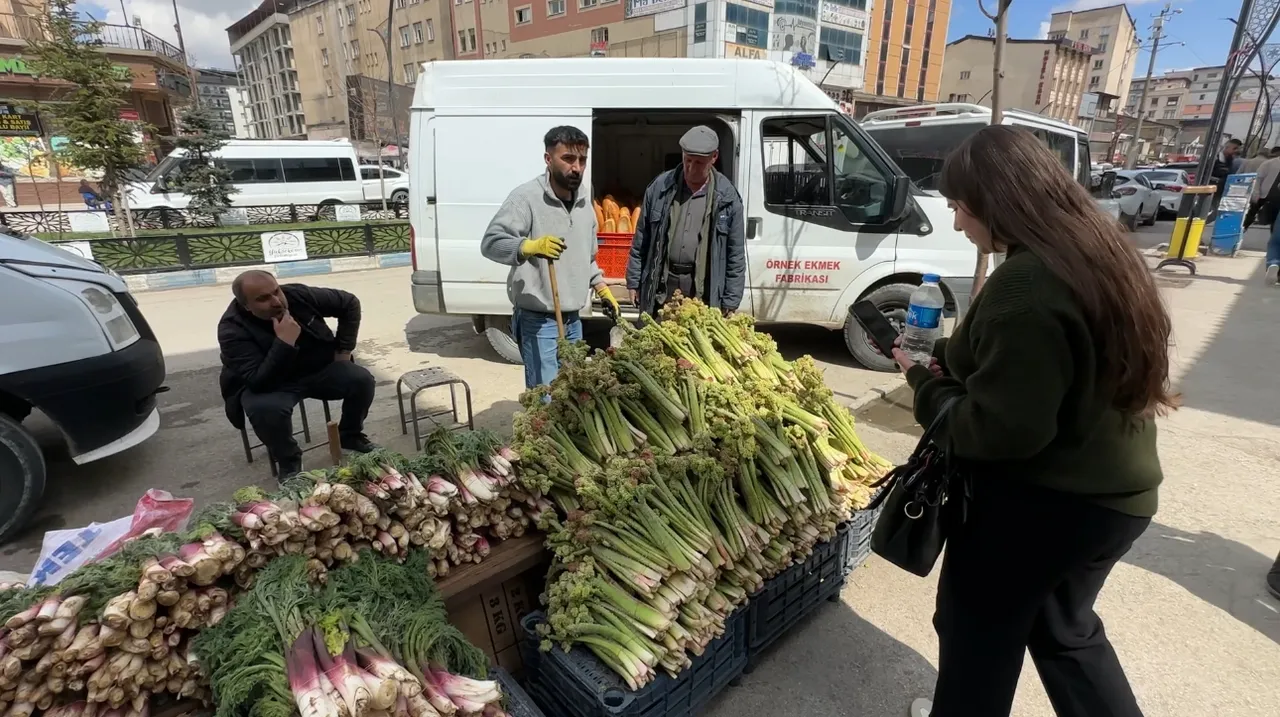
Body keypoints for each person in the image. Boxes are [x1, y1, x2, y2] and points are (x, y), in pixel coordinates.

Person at [895, 126, 1175, 717]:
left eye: (959, 208)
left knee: (977, 635)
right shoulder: (1095, 250)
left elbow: (1002, 430)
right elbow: (1035, 365)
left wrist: (924, 383)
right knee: (1065, 635)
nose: (955, 223)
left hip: (1041, 507)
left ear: (997, 204)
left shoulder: (1025, 283)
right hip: (1115, 501)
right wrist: (952, 354)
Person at [481, 126, 617, 389]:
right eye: (568, 159)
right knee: (547, 396)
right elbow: (490, 243)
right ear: (548, 159)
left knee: (573, 393)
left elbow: (586, 258)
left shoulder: (584, 204)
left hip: (573, 318)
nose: (576, 167)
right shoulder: (526, 198)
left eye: (582, 160)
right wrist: (527, 247)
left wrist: (601, 287)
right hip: (538, 319)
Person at [218, 270, 377, 477]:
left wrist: (344, 350)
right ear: (246, 306)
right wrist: (284, 342)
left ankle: (350, 435)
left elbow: (349, 303)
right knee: (264, 409)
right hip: (273, 383)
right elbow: (258, 381)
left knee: (362, 380)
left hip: (317, 368)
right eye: (263, 299)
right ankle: (288, 460)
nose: (276, 301)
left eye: (276, 291)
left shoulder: (297, 295)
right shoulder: (231, 329)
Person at [626, 125, 745, 316]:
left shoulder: (728, 198)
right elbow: (641, 239)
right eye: (687, 160)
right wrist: (633, 281)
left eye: (698, 163)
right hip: (663, 287)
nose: (690, 168)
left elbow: (735, 255)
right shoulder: (659, 188)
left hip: (701, 292)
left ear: (714, 157)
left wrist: (731, 299)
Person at [1244, 146, 1280, 230]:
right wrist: (1256, 192)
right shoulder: (1269, 163)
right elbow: (1258, 178)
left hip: (1277, 198)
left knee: (1275, 220)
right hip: (1263, 194)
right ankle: (1241, 231)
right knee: (1250, 215)